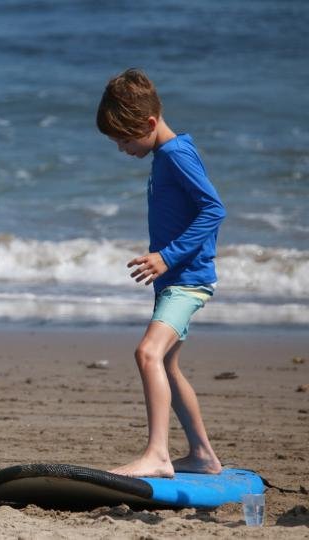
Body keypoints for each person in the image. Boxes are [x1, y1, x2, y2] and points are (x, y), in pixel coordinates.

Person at [96, 68, 227, 478]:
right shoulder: (165, 154)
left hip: (187, 280)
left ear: (150, 124)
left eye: (123, 137)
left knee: (147, 353)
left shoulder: (175, 155)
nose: (120, 147)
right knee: (166, 365)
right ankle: (203, 454)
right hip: (177, 279)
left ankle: (157, 454)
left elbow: (214, 209)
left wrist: (167, 257)